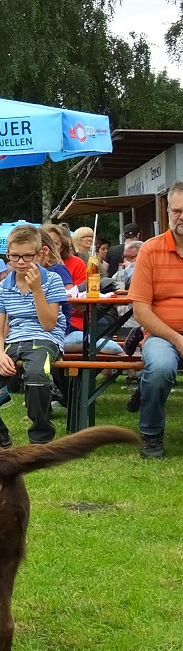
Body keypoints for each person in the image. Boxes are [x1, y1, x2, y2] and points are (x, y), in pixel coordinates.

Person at [0, 225, 68, 447]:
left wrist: (37, 289)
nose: (21, 262)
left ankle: (41, 438)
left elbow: (49, 324)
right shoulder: (3, 288)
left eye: (27, 256)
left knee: (37, 375)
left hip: (45, 340)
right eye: (15, 257)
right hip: (13, 342)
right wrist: (0, 354)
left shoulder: (52, 281)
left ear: (40, 254)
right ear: (8, 256)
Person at [129, 181, 183, 459]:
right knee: (161, 367)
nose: (181, 217)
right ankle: (150, 435)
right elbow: (140, 311)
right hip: (162, 335)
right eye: (176, 211)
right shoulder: (150, 250)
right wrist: (177, 339)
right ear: (168, 212)